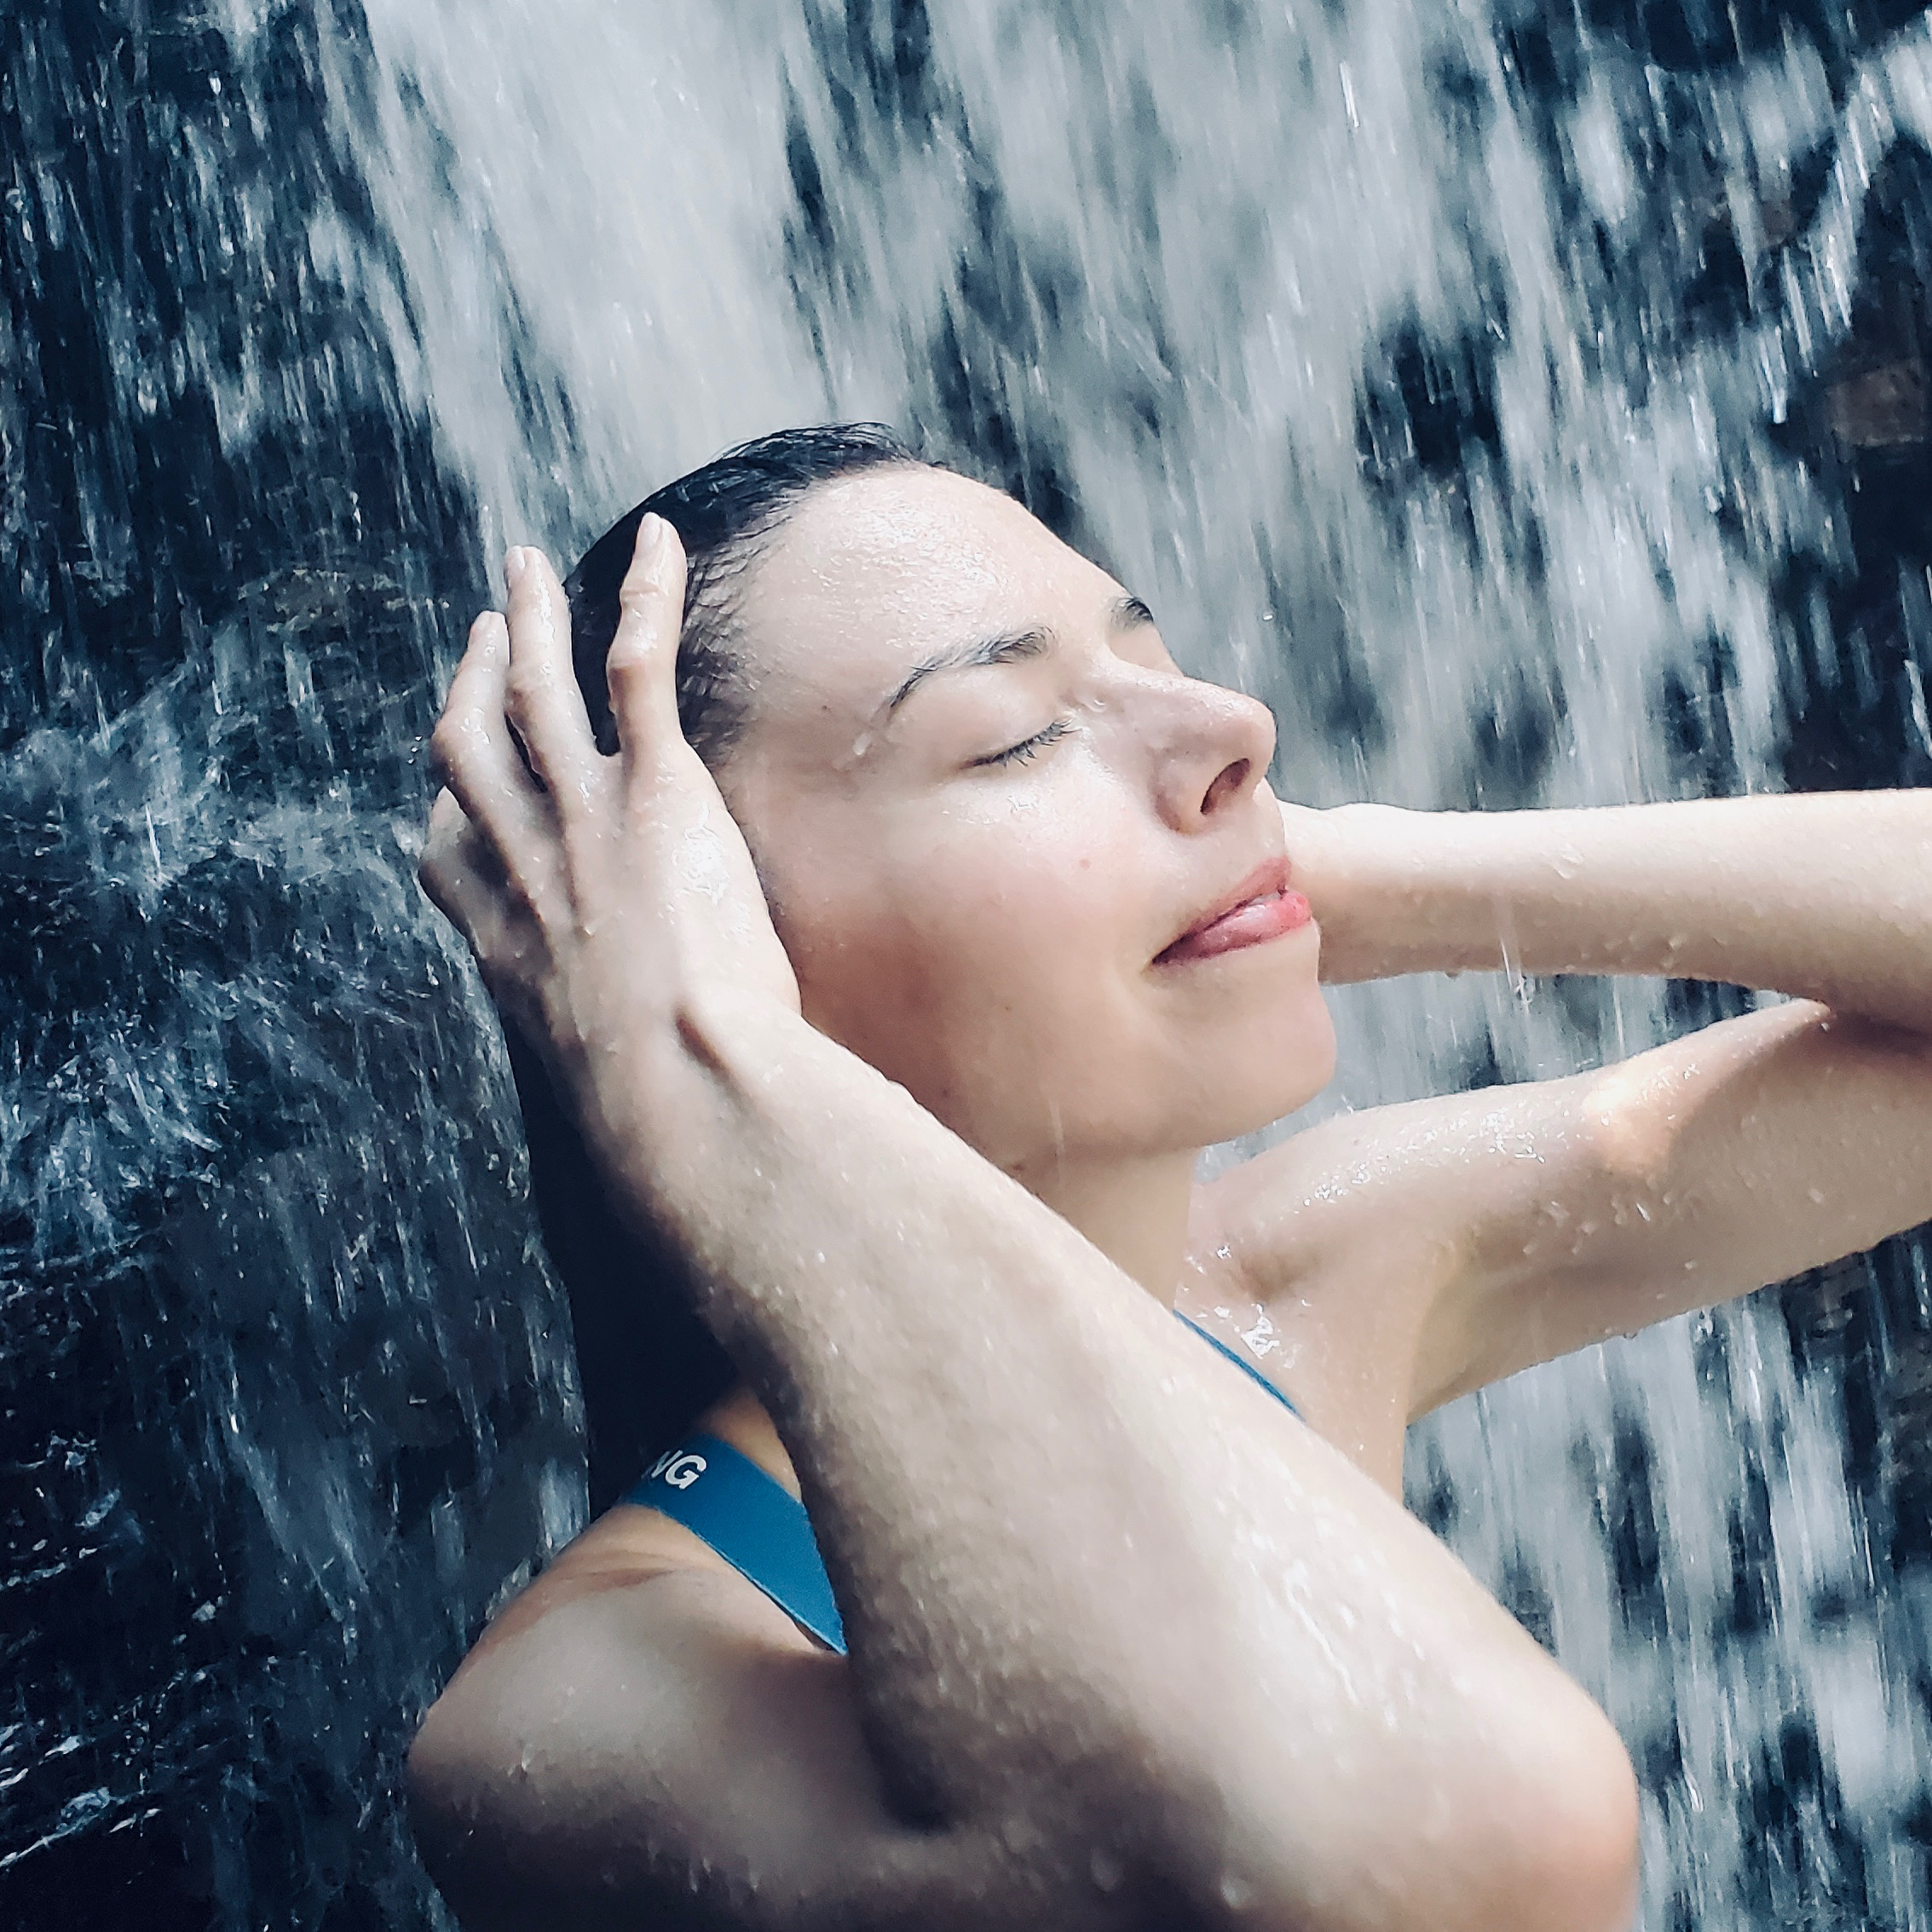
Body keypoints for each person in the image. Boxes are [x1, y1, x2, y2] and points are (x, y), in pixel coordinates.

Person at [406, 424, 1932, 1932]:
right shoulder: (579, 1708)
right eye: (1013, 735)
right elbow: (1464, 1839)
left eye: (1150, 657)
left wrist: (1351, 874)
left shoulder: (1295, 1283)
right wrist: (712, 1060)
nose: (1237, 724)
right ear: (707, 930)